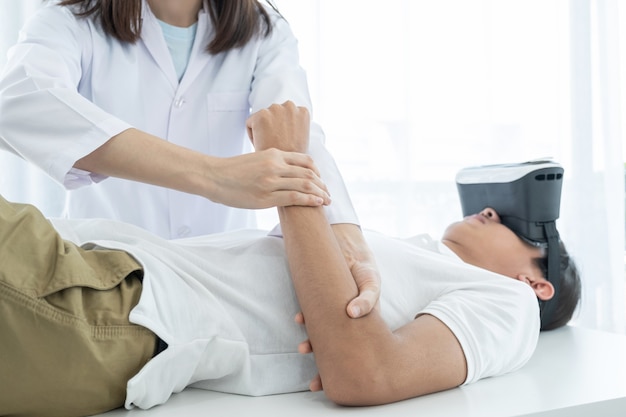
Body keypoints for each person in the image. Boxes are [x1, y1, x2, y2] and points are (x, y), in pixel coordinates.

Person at [0, 103, 581, 417]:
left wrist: (288, 164)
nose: (488, 213)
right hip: (88, 278)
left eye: (515, 229)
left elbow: (365, 374)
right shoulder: (406, 257)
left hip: (107, 305)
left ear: (538, 284)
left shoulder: (510, 306)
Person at [0, 0, 380, 318]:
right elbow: (20, 101)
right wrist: (215, 177)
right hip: (102, 279)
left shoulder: (263, 29)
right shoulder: (72, 18)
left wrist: (344, 230)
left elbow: (295, 130)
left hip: (218, 286)